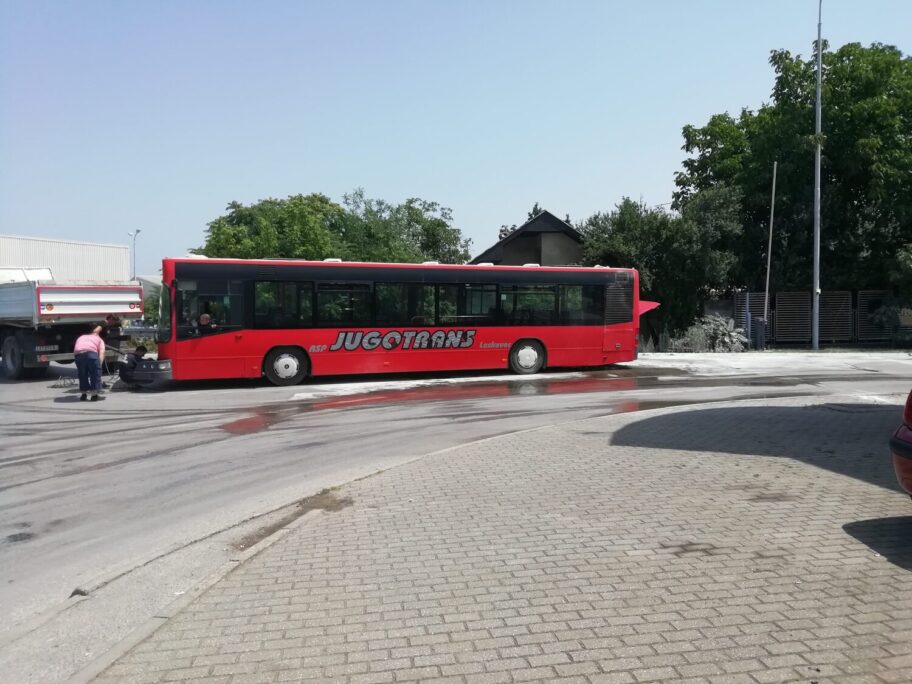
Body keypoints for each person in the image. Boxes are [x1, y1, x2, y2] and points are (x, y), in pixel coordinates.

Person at [73, 325, 105, 401]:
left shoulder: (82, 337)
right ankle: (94, 395)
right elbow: (102, 353)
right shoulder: (99, 339)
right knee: (95, 374)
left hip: (79, 355)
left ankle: (83, 394)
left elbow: (76, 349)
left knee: (82, 374)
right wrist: (99, 365)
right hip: (91, 354)